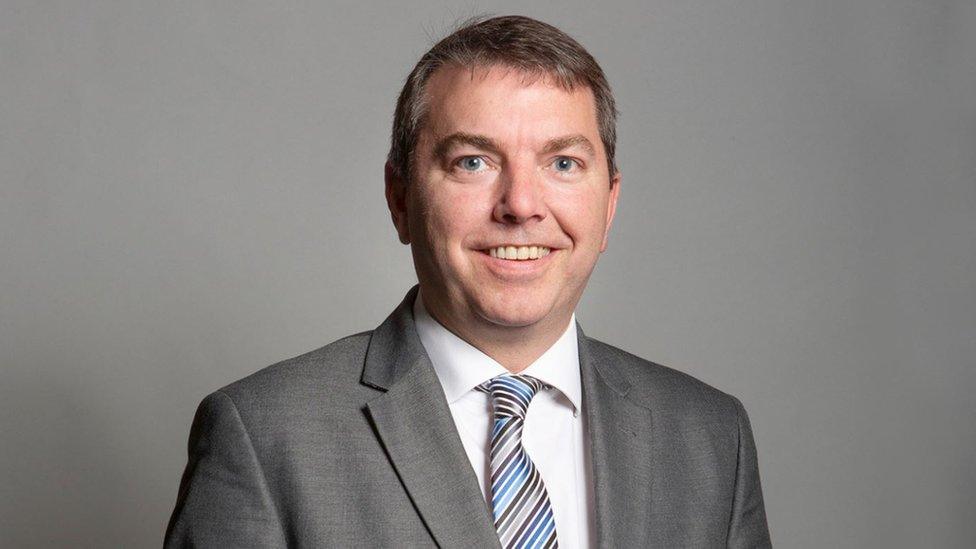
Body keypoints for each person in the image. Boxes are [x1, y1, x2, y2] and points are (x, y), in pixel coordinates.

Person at [165, 15, 771, 548]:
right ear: (399, 198)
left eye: (563, 163)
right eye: (472, 162)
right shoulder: (266, 436)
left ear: (608, 205)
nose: (521, 204)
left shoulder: (710, 438)